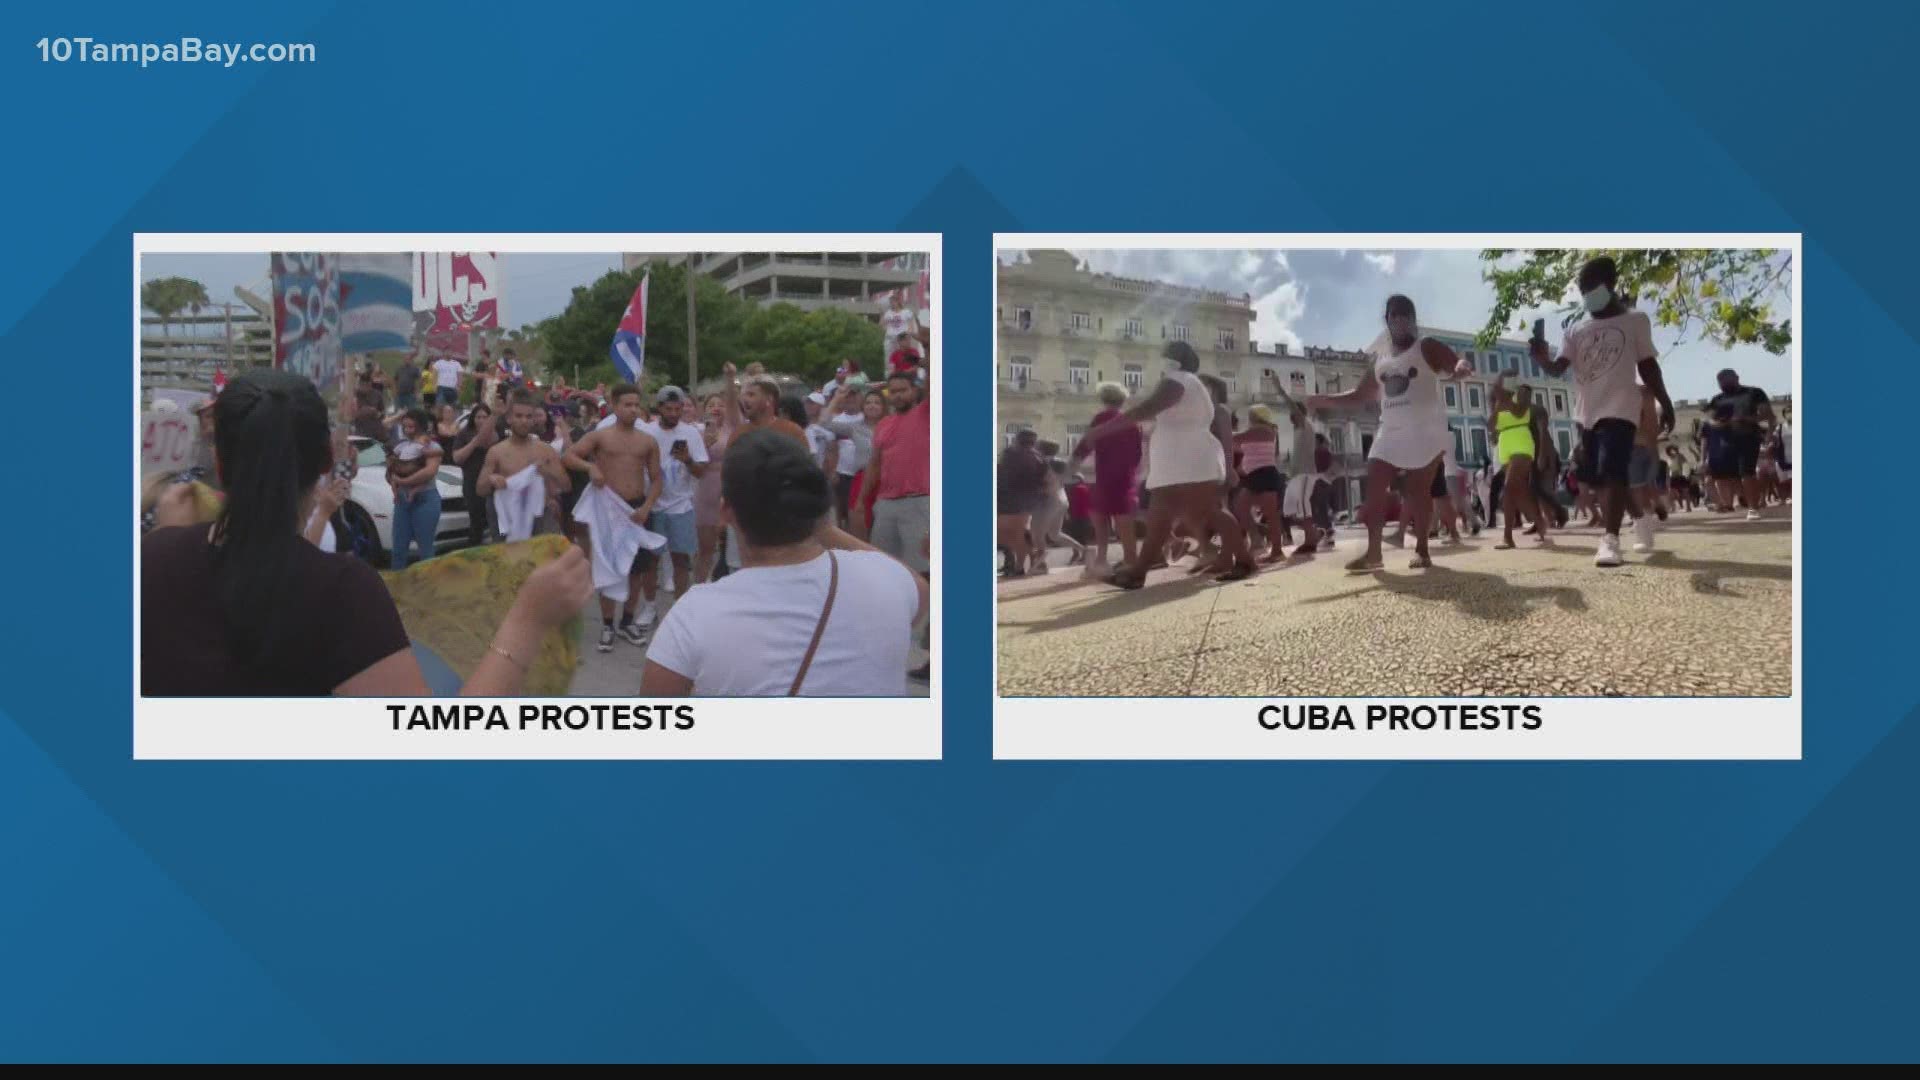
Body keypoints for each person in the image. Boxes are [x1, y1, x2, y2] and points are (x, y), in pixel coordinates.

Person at [141, 370, 590, 696]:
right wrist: (528, 619)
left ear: (219, 463)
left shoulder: (152, 559)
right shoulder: (341, 592)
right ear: (323, 462)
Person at [639, 429, 927, 697]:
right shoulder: (886, 577)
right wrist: (824, 528)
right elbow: (920, 595)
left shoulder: (695, 613)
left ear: (726, 511)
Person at [1307, 296, 1473, 573]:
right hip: (1390, 431)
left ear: (1414, 319)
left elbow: (1454, 363)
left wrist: (1460, 368)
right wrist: (1322, 399)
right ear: (1387, 320)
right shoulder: (1380, 361)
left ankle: (1422, 549)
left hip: (1425, 430)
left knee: (1419, 492)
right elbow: (1360, 395)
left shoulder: (1426, 346)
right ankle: (1374, 554)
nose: (1401, 319)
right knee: (1374, 481)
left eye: (1407, 314)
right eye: (1395, 315)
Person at [1530, 258, 1676, 566]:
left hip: (1621, 410)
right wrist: (1542, 359)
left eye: (1592, 287)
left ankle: (1610, 541)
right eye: (1582, 289)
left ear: (1610, 285)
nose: (1587, 294)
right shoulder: (1575, 329)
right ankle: (1641, 518)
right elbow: (1559, 369)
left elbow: (1647, 365)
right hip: (1587, 414)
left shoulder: (1635, 321)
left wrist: (1665, 401)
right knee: (1595, 478)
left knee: (1612, 470)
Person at [1076, 340, 1255, 587]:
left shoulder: (1178, 379)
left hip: (1189, 459)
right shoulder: (1189, 383)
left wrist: (1103, 430)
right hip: (1179, 460)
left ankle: (1245, 561)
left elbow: (1150, 407)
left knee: (1208, 512)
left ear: (1174, 359)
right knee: (1161, 517)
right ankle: (1138, 572)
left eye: (1164, 355)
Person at [563, 384, 666, 650]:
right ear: (614, 405)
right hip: (608, 509)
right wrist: (590, 468)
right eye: (627, 405)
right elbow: (570, 456)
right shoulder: (601, 436)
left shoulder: (647, 441)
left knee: (638, 569)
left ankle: (627, 621)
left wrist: (647, 507)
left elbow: (657, 479)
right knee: (607, 567)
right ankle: (608, 624)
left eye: (636, 405)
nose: (632, 410)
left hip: (636, 509)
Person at [638, 386, 711, 604]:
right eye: (668, 409)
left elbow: (702, 472)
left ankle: (679, 606)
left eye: (677, 409)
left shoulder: (690, 433)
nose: (673, 413)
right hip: (652, 504)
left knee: (681, 560)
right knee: (651, 561)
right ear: (659, 408)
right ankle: (649, 608)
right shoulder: (647, 432)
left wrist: (687, 460)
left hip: (681, 506)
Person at [861, 370, 933, 579]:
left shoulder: (926, 413)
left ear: (915, 391)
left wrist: (927, 345)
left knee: (922, 569)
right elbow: (874, 464)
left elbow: (934, 383)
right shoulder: (884, 424)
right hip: (885, 505)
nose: (897, 395)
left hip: (918, 503)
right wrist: (860, 501)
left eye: (903, 390)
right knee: (884, 568)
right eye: (893, 392)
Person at [478, 391, 570, 543]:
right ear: (509, 419)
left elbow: (566, 485)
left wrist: (547, 472)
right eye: (519, 416)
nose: (524, 421)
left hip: (540, 516)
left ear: (534, 419)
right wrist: (493, 480)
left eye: (528, 417)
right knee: (511, 563)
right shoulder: (497, 452)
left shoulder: (545, 450)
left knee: (546, 562)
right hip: (509, 517)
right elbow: (480, 489)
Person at [1079, 382, 1142, 579]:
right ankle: (1131, 560)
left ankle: (1101, 560)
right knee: (1124, 518)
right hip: (1125, 476)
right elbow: (1137, 454)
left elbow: (1087, 443)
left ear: (1103, 399)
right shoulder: (1132, 421)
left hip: (1104, 474)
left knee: (1099, 516)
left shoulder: (1100, 418)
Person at [1704, 367, 1775, 521]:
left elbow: (1767, 414)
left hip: (1748, 438)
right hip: (1724, 442)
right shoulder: (1717, 399)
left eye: (1726, 378)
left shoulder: (1754, 392)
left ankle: (1753, 508)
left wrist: (1747, 419)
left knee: (1747, 473)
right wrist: (1718, 423)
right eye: (1720, 380)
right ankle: (1740, 499)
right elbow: (1709, 419)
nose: (1723, 382)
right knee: (1722, 477)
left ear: (1736, 377)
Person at [1489, 372, 1550, 550]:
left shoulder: (1520, 392)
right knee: (1520, 491)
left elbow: (1521, 411)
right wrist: (1496, 407)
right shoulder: (1497, 399)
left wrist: (1504, 400)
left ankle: (1507, 536)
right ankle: (1540, 522)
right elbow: (1491, 426)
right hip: (1505, 443)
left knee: (1509, 487)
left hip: (1522, 441)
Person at [386, 408, 445, 570]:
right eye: (405, 427)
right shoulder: (402, 446)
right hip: (402, 500)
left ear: (421, 426)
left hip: (425, 499)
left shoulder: (431, 445)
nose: (407, 431)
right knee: (398, 548)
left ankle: (428, 589)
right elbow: (392, 467)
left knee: (425, 549)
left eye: (411, 427)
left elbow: (429, 472)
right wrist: (394, 482)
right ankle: (396, 587)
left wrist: (403, 481)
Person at [694, 375, 740, 582]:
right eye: (711, 404)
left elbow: (732, 401)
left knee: (730, 546)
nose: (716, 408)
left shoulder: (733, 428)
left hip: (729, 485)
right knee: (705, 548)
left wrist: (729, 379)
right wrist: (704, 444)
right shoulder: (696, 431)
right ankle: (699, 586)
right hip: (706, 488)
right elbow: (689, 463)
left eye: (720, 404)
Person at [1233, 404, 1288, 562]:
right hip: (1255, 475)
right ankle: (1257, 538)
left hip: (1265, 474)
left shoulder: (1264, 430)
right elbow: (1241, 446)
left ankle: (1276, 551)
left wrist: (1219, 433)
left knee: (1271, 515)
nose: (1248, 418)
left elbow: (1236, 439)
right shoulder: (1257, 432)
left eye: (1250, 415)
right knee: (1240, 507)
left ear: (1256, 416)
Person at [824, 382, 880, 529]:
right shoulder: (855, 428)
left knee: (880, 525)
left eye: (876, 403)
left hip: (884, 480)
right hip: (859, 478)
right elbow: (824, 422)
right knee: (857, 521)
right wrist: (837, 397)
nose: (872, 406)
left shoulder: (890, 425)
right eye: (869, 403)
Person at [997, 429, 1046, 577]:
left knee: (1003, 534)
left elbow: (1001, 476)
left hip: (1010, 500)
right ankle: (1028, 561)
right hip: (1029, 501)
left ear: (1017, 439)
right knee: (1017, 534)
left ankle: (1025, 562)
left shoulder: (1010, 454)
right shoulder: (1039, 458)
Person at [1027, 446, 1083, 574]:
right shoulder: (1059, 463)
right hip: (1062, 500)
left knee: (1037, 533)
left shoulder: (1045, 465)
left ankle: (1042, 563)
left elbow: (1044, 486)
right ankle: (1084, 550)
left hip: (1050, 502)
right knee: (1054, 534)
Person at [449, 402, 498, 546]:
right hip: (472, 482)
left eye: (485, 417)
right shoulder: (464, 434)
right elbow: (457, 458)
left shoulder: (496, 433)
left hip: (493, 483)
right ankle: (474, 547)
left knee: (496, 521)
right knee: (476, 521)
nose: (482, 420)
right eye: (478, 417)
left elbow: (491, 442)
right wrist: (474, 442)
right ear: (473, 419)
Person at [1627, 384, 1667, 551]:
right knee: (1638, 491)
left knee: (1641, 490)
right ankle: (1644, 528)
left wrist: (1653, 451)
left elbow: (1651, 423)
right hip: (1624, 448)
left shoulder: (1643, 391)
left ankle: (1644, 532)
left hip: (1639, 447)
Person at [802, 392, 841, 476]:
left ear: (821, 406)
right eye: (807, 403)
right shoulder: (800, 426)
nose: (808, 406)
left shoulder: (828, 429)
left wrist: (831, 473)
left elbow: (832, 452)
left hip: (820, 473)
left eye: (812, 403)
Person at [879, 289, 922, 364]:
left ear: (898, 302)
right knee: (888, 356)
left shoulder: (906, 312)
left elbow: (911, 324)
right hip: (891, 338)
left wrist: (909, 333)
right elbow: (881, 324)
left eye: (893, 302)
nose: (892, 304)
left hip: (901, 338)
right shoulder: (888, 313)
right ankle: (889, 372)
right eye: (891, 302)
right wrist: (882, 313)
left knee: (902, 356)